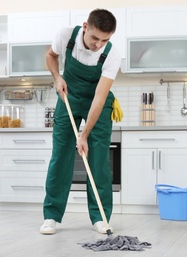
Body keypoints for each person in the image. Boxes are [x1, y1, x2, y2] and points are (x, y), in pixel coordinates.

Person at [40, 9, 122, 235]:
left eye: (105, 40)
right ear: (85, 26)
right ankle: (51, 216)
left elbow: (99, 97)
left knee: (98, 159)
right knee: (61, 155)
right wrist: (58, 78)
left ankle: (100, 217)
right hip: (69, 96)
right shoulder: (66, 36)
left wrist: (84, 134)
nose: (98, 45)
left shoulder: (112, 55)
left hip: (98, 102)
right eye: (95, 38)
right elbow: (51, 56)